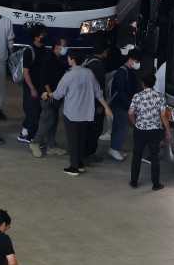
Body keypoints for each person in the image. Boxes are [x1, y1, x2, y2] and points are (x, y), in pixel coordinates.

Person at [50, 48, 112, 176]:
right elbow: (98, 92)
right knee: (81, 139)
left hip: (72, 114)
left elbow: (58, 94)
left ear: (72, 59)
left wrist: (48, 94)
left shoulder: (69, 75)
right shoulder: (89, 73)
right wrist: (107, 107)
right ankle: (80, 164)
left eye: (69, 57)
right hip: (86, 114)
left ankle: (74, 167)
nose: (67, 59)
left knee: (73, 141)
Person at [128, 73, 170, 190]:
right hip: (155, 131)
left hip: (140, 130)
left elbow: (130, 113)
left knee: (136, 155)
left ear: (142, 83)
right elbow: (163, 116)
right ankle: (155, 184)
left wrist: (135, 123)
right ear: (154, 83)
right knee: (154, 157)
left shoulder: (137, 96)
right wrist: (168, 130)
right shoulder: (160, 97)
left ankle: (134, 181)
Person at [32, 35, 69, 158]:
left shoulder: (57, 59)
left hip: (56, 95)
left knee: (54, 121)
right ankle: (35, 142)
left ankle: (51, 145)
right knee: (47, 121)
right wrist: (49, 94)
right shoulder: (48, 58)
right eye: (64, 46)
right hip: (48, 95)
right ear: (57, 47)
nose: (65, 48)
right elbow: (44, 78)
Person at [108, 49, 142, 161]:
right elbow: (122, 91)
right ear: (130, 59)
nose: (137, 63)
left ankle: (115, 148)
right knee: (122, 127)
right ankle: (115, 149)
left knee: (119, 127)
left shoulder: (129, 71)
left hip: (122, 104)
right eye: (136, 61)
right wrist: (130, 105)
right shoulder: (123, 72)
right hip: (120, 105)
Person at [18, 24, 48, 144]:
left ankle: (24, 132)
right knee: (33, 112)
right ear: (36, 37)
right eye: (42, 34)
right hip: (32, 87)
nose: (44, 36)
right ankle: (32, 138)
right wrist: (32, 89)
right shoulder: (29, 52)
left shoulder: (44, 49)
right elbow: (26, 72)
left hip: (40, 86)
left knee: (35, 111)